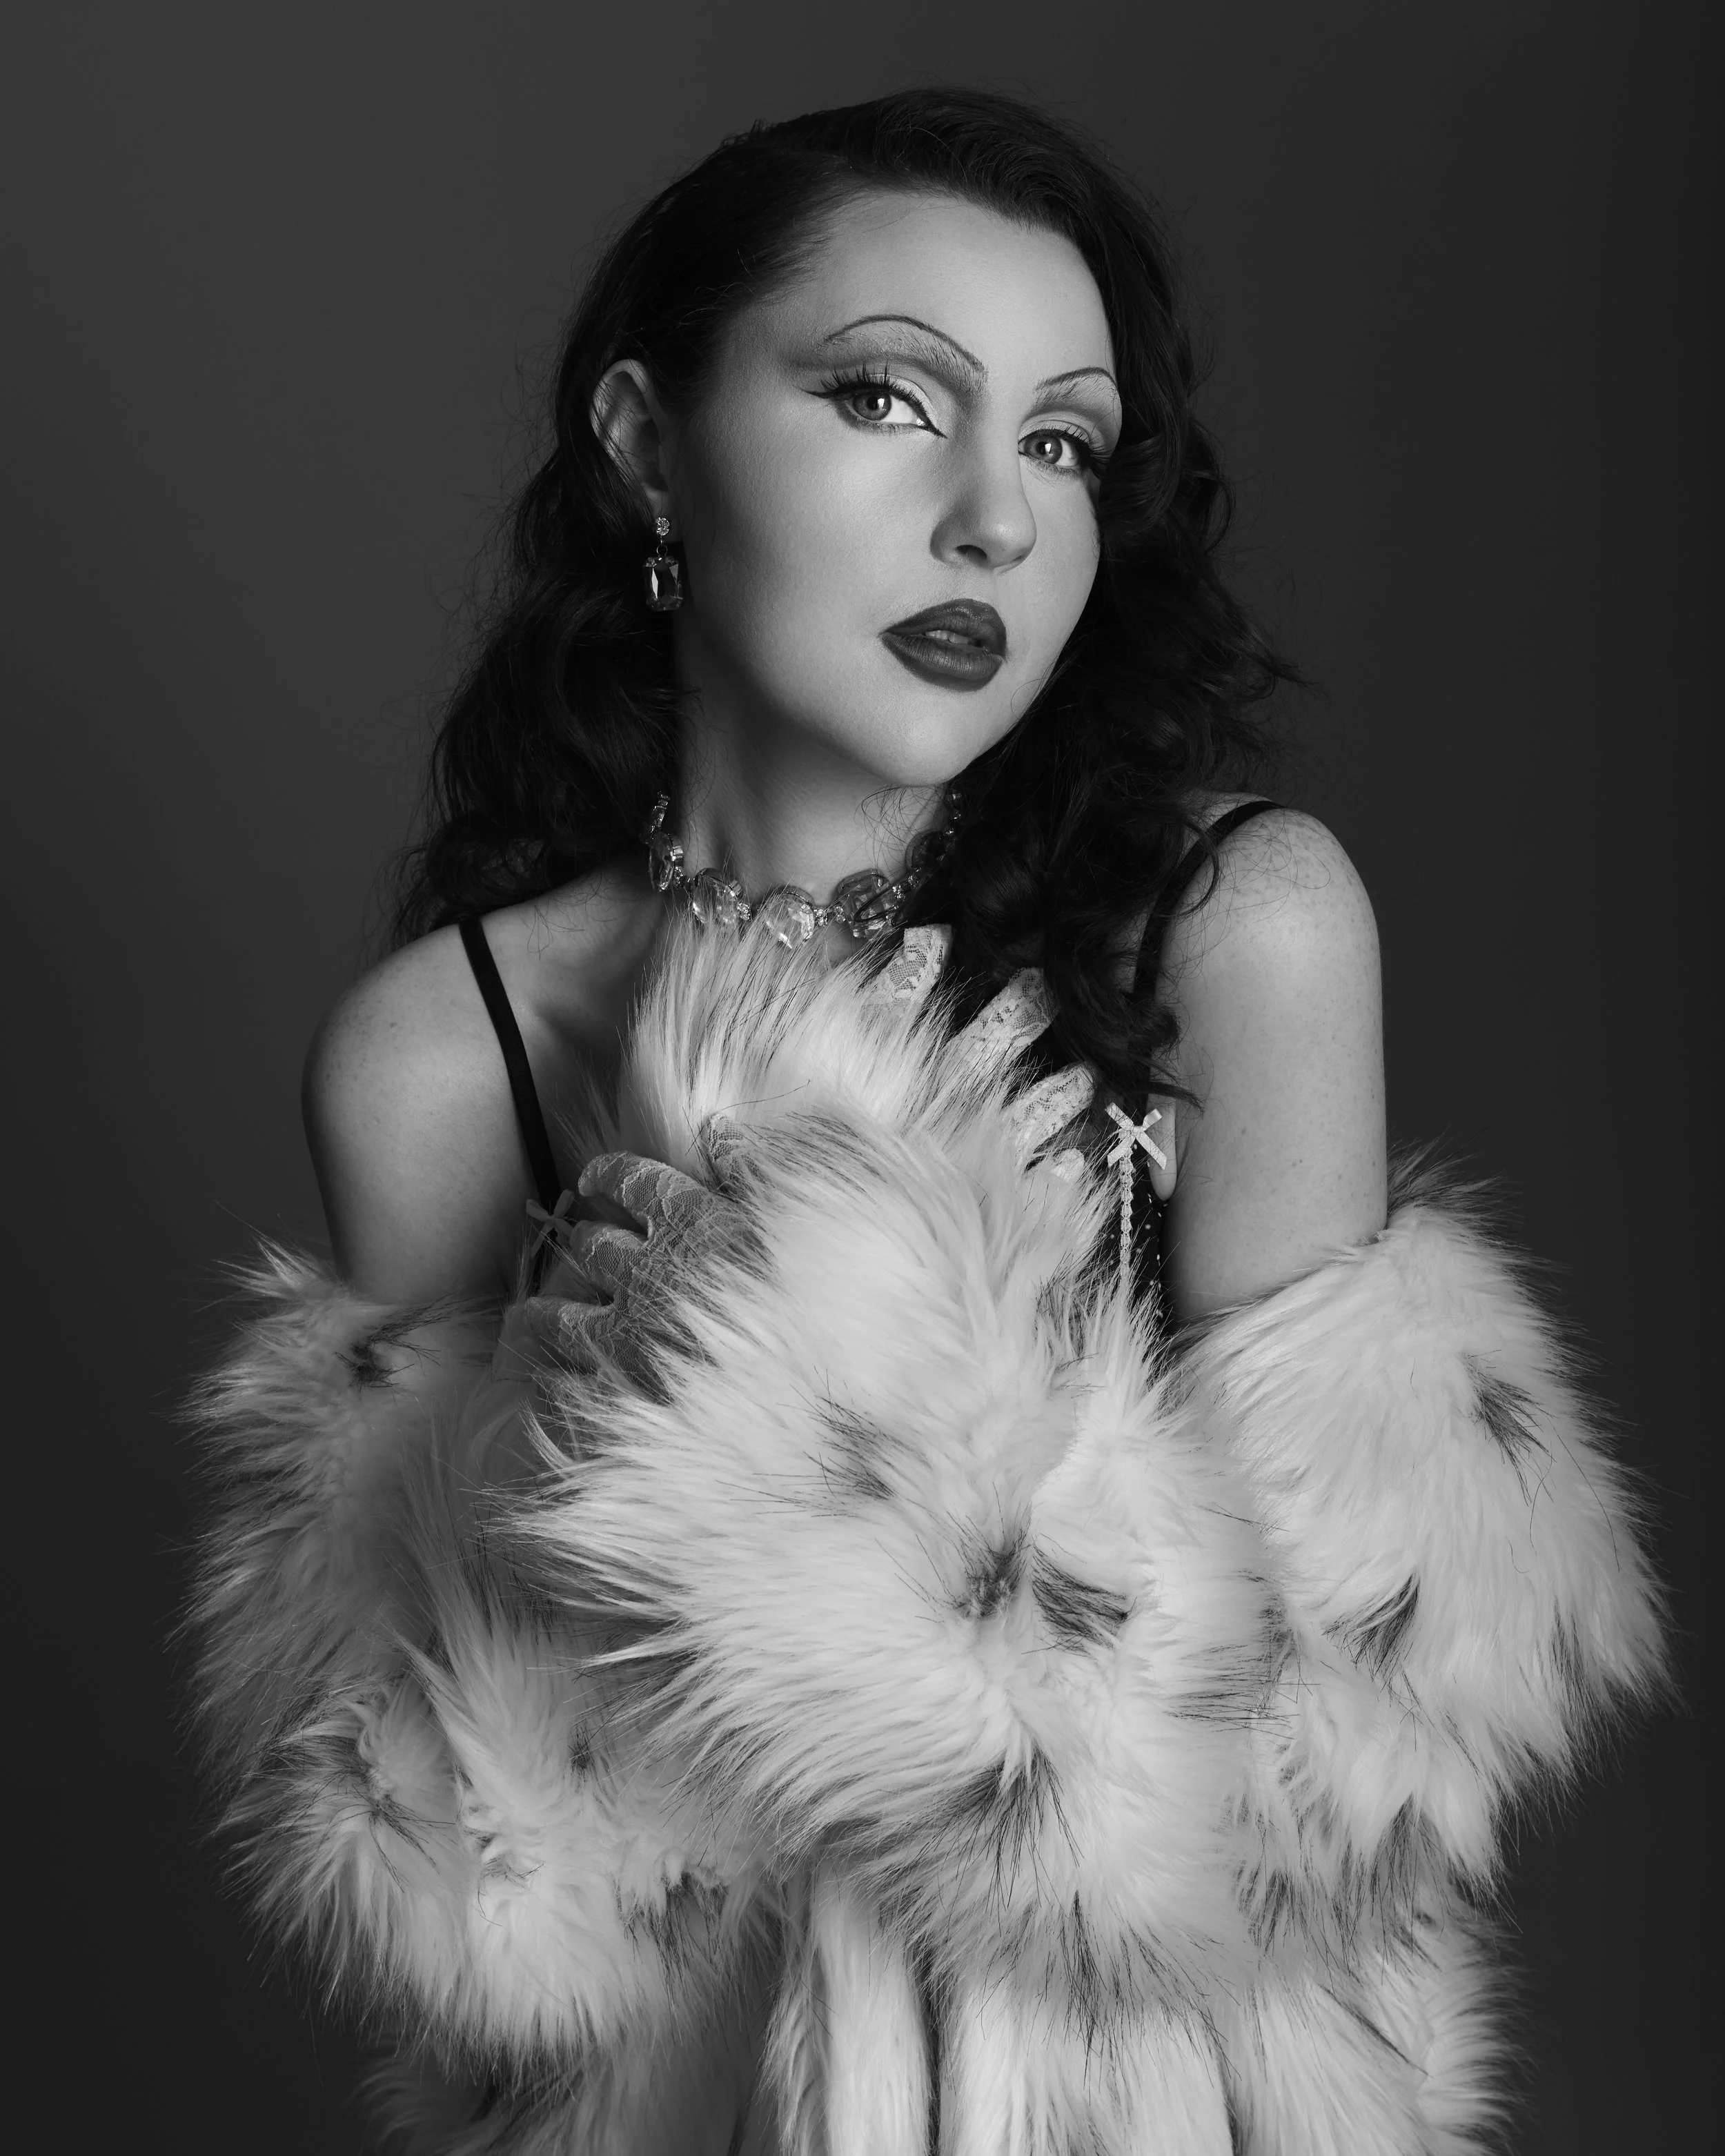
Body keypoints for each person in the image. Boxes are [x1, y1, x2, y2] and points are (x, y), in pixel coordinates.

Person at [189, 90, 1664, 2155]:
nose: (997, 518)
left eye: (1061, 443)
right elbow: (463, 1911)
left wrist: (831, 1418)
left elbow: (1360, 1788)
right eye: (890, 399)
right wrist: (539, 1453)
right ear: (640, 437)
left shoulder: (1234, 927)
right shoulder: (448, 1051)